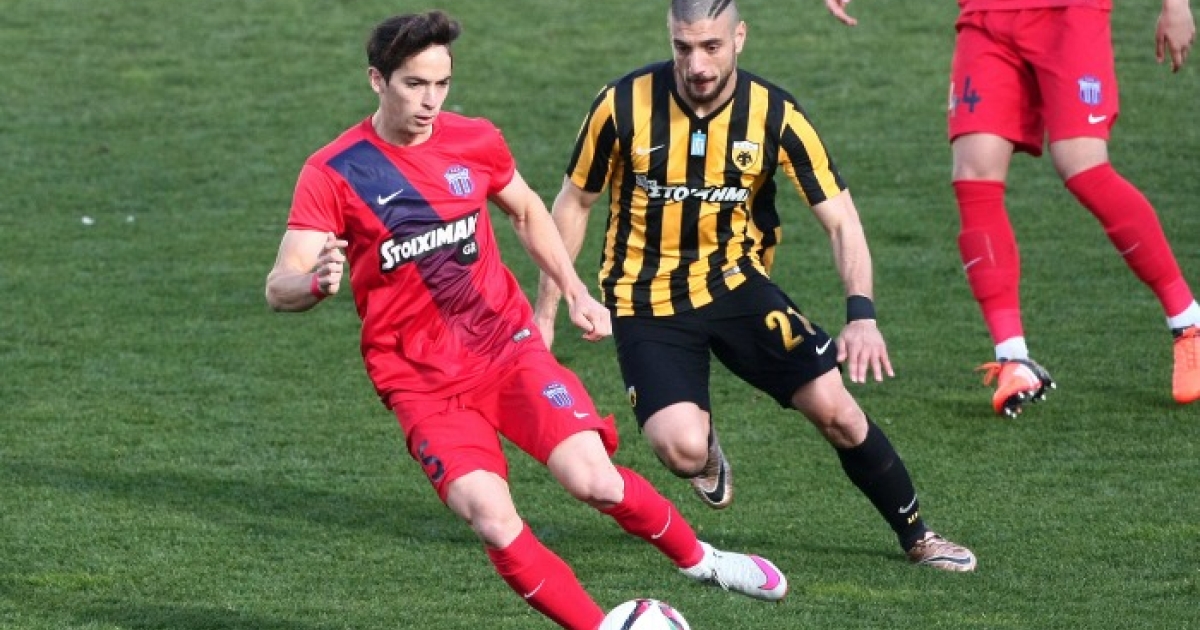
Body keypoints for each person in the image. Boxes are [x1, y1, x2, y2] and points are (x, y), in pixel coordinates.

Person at [264, 11, 789, 630]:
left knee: (594, 480)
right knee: (492, 519)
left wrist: (573, 290)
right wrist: (314, 283)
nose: (430, 101)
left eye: (442, 84)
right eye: (414, 85)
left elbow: (527, 209)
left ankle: (703, 560)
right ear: (377, 81)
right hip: (421, 384)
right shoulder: (334, 171)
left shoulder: (475, 140)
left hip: (505, 348)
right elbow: (278, 285)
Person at [533, 0, 976, 572]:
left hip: (736, 286)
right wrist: (549, 311)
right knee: (681, 450)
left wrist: (862, 314)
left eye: (711, 47)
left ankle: (919, 535)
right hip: (645, 300)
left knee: (836, 411)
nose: (697, 65)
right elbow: (574, 203)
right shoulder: (621, 104)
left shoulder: (774, 113)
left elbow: (841, 219)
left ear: (739, 37)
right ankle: (705, 450)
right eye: (683, 48)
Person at [828, 0, 1200, 416]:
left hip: (1068, 13)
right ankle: (1014, 360)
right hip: (986, 17)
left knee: (1083, 168)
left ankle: (1188, 323)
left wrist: (1176, 6)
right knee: (974, 177)